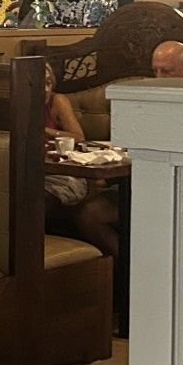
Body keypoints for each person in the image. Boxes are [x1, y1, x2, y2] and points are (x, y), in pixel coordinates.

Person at [43, 65, 118, 258]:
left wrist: (45, 131)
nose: (45, 89)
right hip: (35, 173)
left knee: (35, 203)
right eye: (39, 84)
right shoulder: (15, 105)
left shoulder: (57, 101)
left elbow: (78, 137)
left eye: (48, 83)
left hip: (65, 174)